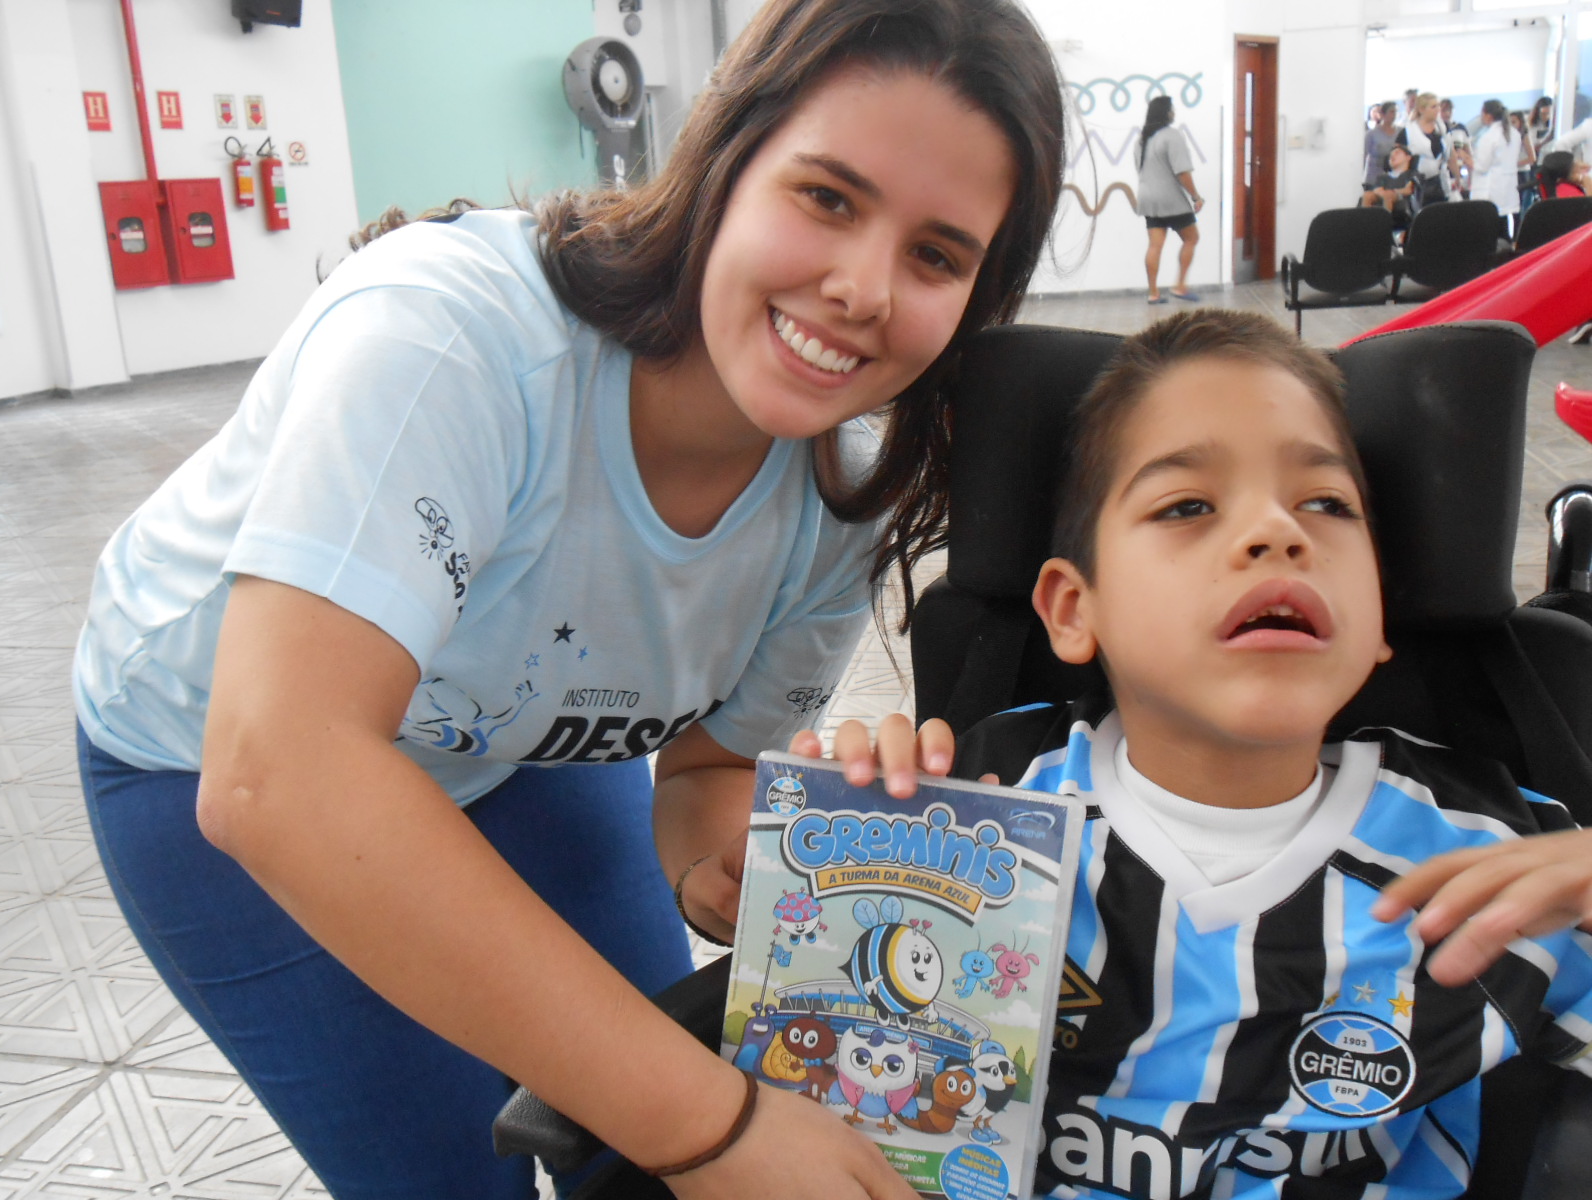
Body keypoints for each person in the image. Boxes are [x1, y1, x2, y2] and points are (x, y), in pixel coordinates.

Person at [69, 2, 1067, 1198]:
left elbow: (701, 776)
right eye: (827, 198)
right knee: (464, 1169)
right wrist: (712, 1128)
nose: (861, 287)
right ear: (722, 160)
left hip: (519, 732)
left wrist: (739, 864)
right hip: (206, 757)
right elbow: (276, 769)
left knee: (624, 1132)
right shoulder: (450, 337)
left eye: (937, 255)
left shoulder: (844, 482)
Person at [810, 309, 1592, 1197]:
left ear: (1380, 610)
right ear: (1073, 609)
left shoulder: (1489, 859)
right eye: (1187, 505)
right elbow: (854, 1095)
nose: (1276, 532)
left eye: (1326, 505)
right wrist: (846, 854)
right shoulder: (978, 822)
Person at [1134, 94, 1204, 305]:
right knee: (1191, 238)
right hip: (1170, 200)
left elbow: (1141, 170)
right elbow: (1182, 172)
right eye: (1172, 109)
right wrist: (1195, 196)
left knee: (1155, 245)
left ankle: (1153, 293)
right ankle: (1180, 286)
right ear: (1166, 113)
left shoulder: (1142, 139)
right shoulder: (1172, 136)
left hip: (1148, 199)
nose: (1174, 112)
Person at [1463, 98, 1522, 239]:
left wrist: (1465, 157)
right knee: (1504, 228)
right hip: (1507, 188)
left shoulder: (1488, 137)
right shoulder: (1515, 134)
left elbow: (1481, 166)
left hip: (1489, 190)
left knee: (1491, 232)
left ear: (1487, 115)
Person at [1396, 91, 1451, 206]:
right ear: (1421, 109)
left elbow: (1451, 154)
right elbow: (1396, 159)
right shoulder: (1408, 132)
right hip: (1418, 185)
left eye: (1438, 106)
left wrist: (1456, 177)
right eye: (1433, 107)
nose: (1438, 110)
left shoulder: (1442, 128)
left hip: (1440, 181)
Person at [1360, 142, 1419, 229]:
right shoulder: (1383, 177)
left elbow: (1409, 190)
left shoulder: (1412, 174)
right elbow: (1377, 190)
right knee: (1367, 195)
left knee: (1388, 195)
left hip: (1402, 198)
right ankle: (1365, 226)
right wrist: (1382, 192)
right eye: (1391, 155)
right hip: (1382, 195)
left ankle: (1385, 227)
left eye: (1397, 153)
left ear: (1408, 157)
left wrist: (1391, 191)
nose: (1392, 156)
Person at [1362, 100, 1399, 188]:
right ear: (1382, 114)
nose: (1394, 115)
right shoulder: (1372, 134)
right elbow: (1364, 154)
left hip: (1394, 177)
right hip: (1374, 177)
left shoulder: (1400, 132)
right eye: (1391, 112)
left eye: (1396, 112)